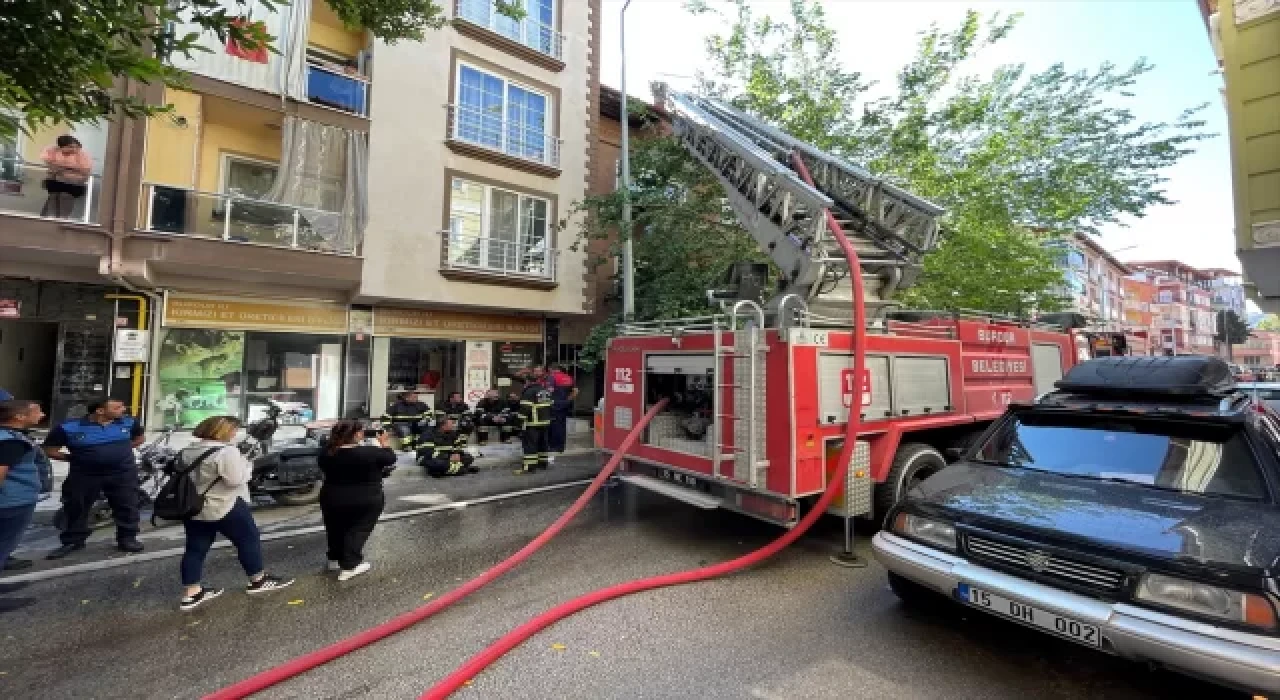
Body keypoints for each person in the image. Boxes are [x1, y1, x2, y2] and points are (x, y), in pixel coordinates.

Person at [176, 416, 294, 610]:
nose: (235, 433)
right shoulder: (226, 452)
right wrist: (248, 467)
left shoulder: (188, 450)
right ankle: (258, 580)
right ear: (221, 431)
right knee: (247, 539)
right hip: (225, 504)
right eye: (233, 430)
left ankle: (192, 593)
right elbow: (235, 480)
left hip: (195, 507)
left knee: (195, 549)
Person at [43, 398, 145, 559]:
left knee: (127, 505)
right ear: (100, 411)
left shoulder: (129, 423)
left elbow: (139, 439)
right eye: (117, 407)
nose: (123, 409)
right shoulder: (68, 427)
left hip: (123, 473)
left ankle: (127, 538)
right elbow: (50, 450)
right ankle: (73, 540)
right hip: (85, 474)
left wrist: (120, 450)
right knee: (77, 506)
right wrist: (75, 458)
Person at [318, 421, 397, 581]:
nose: (363, 434)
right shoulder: (370, 452)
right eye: (361, 432)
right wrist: (383, 443)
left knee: (335, 528)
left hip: (332, 497)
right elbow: (390, 458)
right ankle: (349, 565)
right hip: (366, 498)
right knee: (358, 529)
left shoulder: (326, 452)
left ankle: (334, 558)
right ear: (355, 435)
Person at [0, 400, 45, 610]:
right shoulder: (10, 441)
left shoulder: (11, 436)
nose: (42, 415)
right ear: (19, 417)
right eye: (37, 412)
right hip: (11, 502)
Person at [40, 135, 94, 219]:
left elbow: (85, 170)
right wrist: (69, 168)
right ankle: (49, 218)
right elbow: (51, 165)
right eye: (70, 147)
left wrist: (63, 168)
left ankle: (62, 219)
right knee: (54, 197)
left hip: (74, 184)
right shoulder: (53, 151)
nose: (74, 149)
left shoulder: (82, 155)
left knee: (65, 197)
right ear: (61, 146)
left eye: (76, 147)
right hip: (56, 182)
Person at [517, 376, 553, 473]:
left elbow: (525, 408)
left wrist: (519, 421)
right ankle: (543, 463)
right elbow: (550, 406)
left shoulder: (529, 392)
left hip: (533, 423)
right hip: (545, 422)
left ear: (528, 382)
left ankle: (530, 466)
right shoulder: (545, 391)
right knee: (543, 443)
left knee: (530, 445)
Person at [547, 364, 577, 454]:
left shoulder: (552, 377)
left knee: (553, 426)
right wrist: (567, 400)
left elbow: (549, 391)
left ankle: (553, 447)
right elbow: (575, 391)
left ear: (552, 369)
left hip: (554, 405)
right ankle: (561, 447)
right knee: (562, 426)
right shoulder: (569, 377)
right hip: (564, 405)